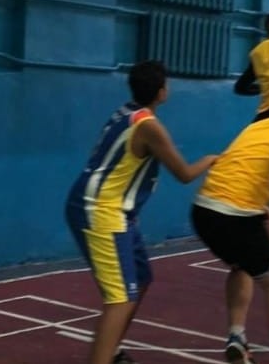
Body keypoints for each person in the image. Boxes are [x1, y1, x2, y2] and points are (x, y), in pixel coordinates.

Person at [65, 60, 217, 364]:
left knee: (141, 278)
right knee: (120, 298)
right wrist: (213, 159)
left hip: (117, 212)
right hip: (100, 210)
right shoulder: (149, 127)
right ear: (161, 92)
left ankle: (111, 350)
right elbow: (184, 173)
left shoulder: (127, 112)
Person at [191, 86, 269, 364]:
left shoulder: (259, 127)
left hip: (202, 210)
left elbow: (239, 168)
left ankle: (236, 336)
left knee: (243, 265)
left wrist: (261, 207)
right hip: (231, 215)